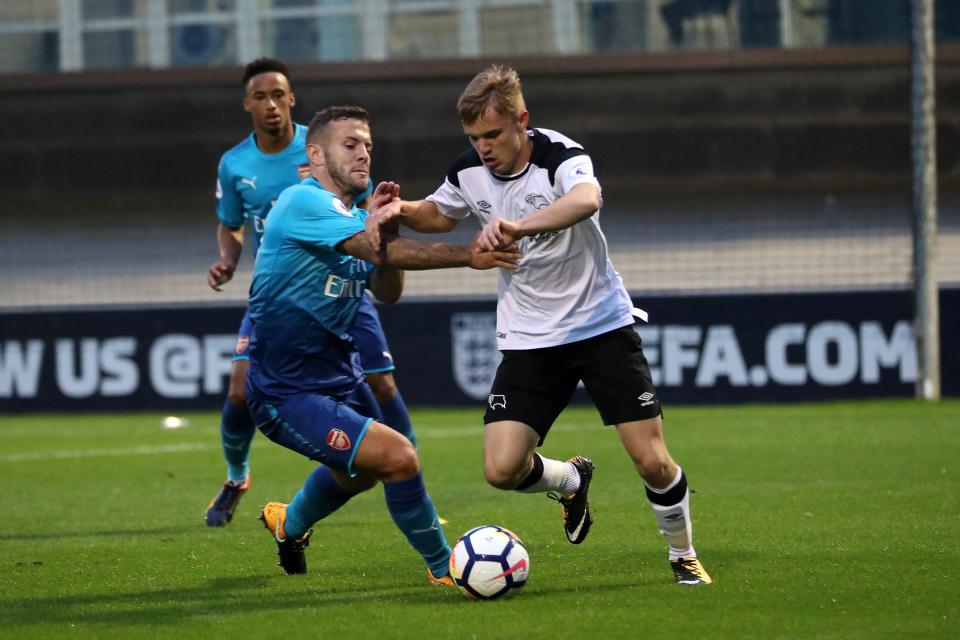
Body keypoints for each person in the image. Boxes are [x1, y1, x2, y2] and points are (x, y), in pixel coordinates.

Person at [365, 65, 712, 586]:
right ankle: (571, 480)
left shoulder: (560, 156)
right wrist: (402, 208)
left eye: (492, 134)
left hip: (600, 327)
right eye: (474, 137)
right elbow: (441, 212)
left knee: (652, 462)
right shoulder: (469, 170)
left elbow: (586, 200)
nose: (483, 147)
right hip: (530, 338)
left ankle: (681, 552)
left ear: (521, 121)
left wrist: (517, 225)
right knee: (501, 469)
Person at [246, 105, 519, 584]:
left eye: (368, 145)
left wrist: (386, 234)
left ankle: (287, 524)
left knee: (361, 472)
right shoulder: (302, 202)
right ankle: (446, 569)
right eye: (350, 144)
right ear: (315, 154)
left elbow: (387, 291)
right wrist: (467, 255)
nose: (364, 154)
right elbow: (380, 252)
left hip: (340, 379)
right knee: (398, 457)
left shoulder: (356, 213)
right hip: (285, 391)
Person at [204, 58, 424, 527]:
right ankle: (236, 477)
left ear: (291, 99)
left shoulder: (328, 144)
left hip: (346, 275)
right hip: (286, 291)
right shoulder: (235, 164)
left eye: (278, 95)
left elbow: (361, 208)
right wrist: (228, 258)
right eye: (260, 96)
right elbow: (231, 226)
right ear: (247, 104)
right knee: (241, 388)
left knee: (382, 382)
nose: (270, 105)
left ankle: (406, 469)